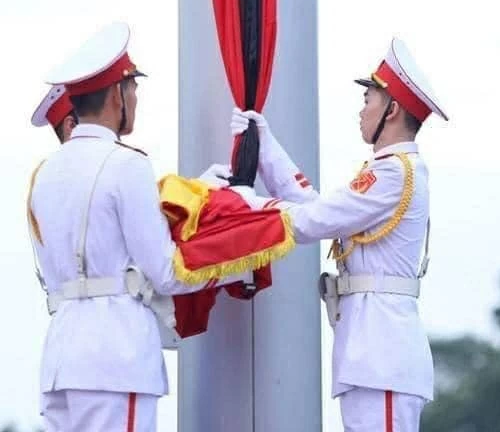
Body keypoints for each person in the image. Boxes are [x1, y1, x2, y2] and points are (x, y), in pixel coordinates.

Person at [224, 37, 447, 432]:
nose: (361, 110)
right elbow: (316, 208)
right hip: (371, 356)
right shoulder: (387, 170)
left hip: (383, 358)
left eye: (369, 100)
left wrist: (245, 207)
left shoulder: (393, 172)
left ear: (392, 109)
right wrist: (266, 146)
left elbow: (314, 221)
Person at [28, 22, 239, 432]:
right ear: (115, 94)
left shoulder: (44, 174)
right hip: (115, 357)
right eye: (133, 88)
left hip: (62, 356)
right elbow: (165, 271)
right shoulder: (127, 164)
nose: (136, 98)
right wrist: (236, 257)